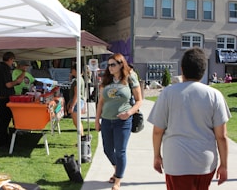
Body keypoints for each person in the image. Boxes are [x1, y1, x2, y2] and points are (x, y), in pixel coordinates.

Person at [147, 47, 231, 190]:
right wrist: (224, 165)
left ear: (182, 69)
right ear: (203, 70)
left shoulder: (167, 94)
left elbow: (157, 131)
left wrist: (157, 155)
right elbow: (221, 136)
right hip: (204, 162)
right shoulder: (214, 95)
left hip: (176, 161)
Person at [95, 53, 142, 190]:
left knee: (120, 151)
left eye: (112, 65)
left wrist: (129, 113)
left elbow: (139, 101)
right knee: (108, 150)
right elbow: (101, 102)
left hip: (123, 122)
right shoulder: (106, 80)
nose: (109, 67)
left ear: (121, 64)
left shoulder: (130, 78)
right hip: (106, 120)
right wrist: (97, 120)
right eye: (108, 65)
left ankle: (118, 180)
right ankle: (117, 170)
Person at [0, 52, 27, 148]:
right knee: (4, 121)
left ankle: (4, 140)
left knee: (4, 121)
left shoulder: (0, 67)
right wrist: (16, 81)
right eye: (13, 60)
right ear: (10, 59)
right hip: (5, 98)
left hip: (3, 97)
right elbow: (8, 84)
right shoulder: (4, 68)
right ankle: (2, 142)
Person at [68, 63, 85, 136]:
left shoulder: (77, 81)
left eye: (72, 70)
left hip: (76, 102)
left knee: (77, 122)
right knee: (78, 122)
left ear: (75, 70)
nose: (71, 71)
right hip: (78, 102)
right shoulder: (80, 79)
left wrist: (72, 106)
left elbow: (76, 94)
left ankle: (81, 139)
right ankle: (82, 138)